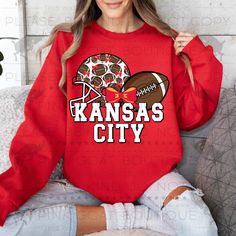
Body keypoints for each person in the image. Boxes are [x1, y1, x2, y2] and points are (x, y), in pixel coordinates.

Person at [0, 0, 223, 235]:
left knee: (201, 227)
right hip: (85, 184)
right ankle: (134, 217)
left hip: (154, 181)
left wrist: (202, 60)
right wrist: (10, 189)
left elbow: (191, 116)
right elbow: (42, 128)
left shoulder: (165, 42)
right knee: (5, 226)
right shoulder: (69, 43)